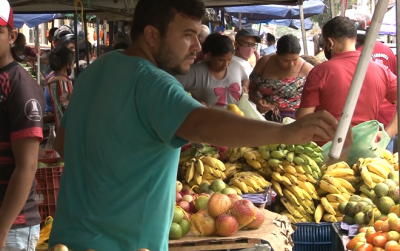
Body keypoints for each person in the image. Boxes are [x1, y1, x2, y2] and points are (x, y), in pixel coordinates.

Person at [48, 0, 338, 250]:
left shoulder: (97, 69)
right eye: (187, 35)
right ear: (151, 35)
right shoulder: (153, 82)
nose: (198, 46)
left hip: (66, 239)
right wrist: (286, 132)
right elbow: (200, 122)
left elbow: (62, 145)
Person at [296, 16, 398, 142]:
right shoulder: (382, 71)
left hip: (326, 154)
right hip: (367, 152)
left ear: (330, 42)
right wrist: (386, 135)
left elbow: (303, 120)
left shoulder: (320, 72)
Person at [0, 2, 45, 250]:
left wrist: (1, 230)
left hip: (12, 230)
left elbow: (27, 166)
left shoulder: (19, 85)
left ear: (12, 36)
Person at [249, 34, 313, 122]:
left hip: (293, 121)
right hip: (264, 119)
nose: (291, 64)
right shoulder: (264, 63)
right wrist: (258, 101)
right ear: (277, 54)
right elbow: (251, 89)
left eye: (295, 60)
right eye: (286, 60)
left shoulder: (307, 70)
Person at [176, 33, 249, 107]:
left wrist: (245, 86)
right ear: (210, 55)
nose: (226, 64)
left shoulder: (235, 65)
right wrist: (193, 102)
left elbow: (245, 78)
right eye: (221, 60)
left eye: (229, 59)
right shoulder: (195, 73)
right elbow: (171, 87)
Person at [356, 28, 398, 152]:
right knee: (385, 161)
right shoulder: (387, 50)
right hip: (390, 115)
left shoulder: (357, 52)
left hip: (369, 117)